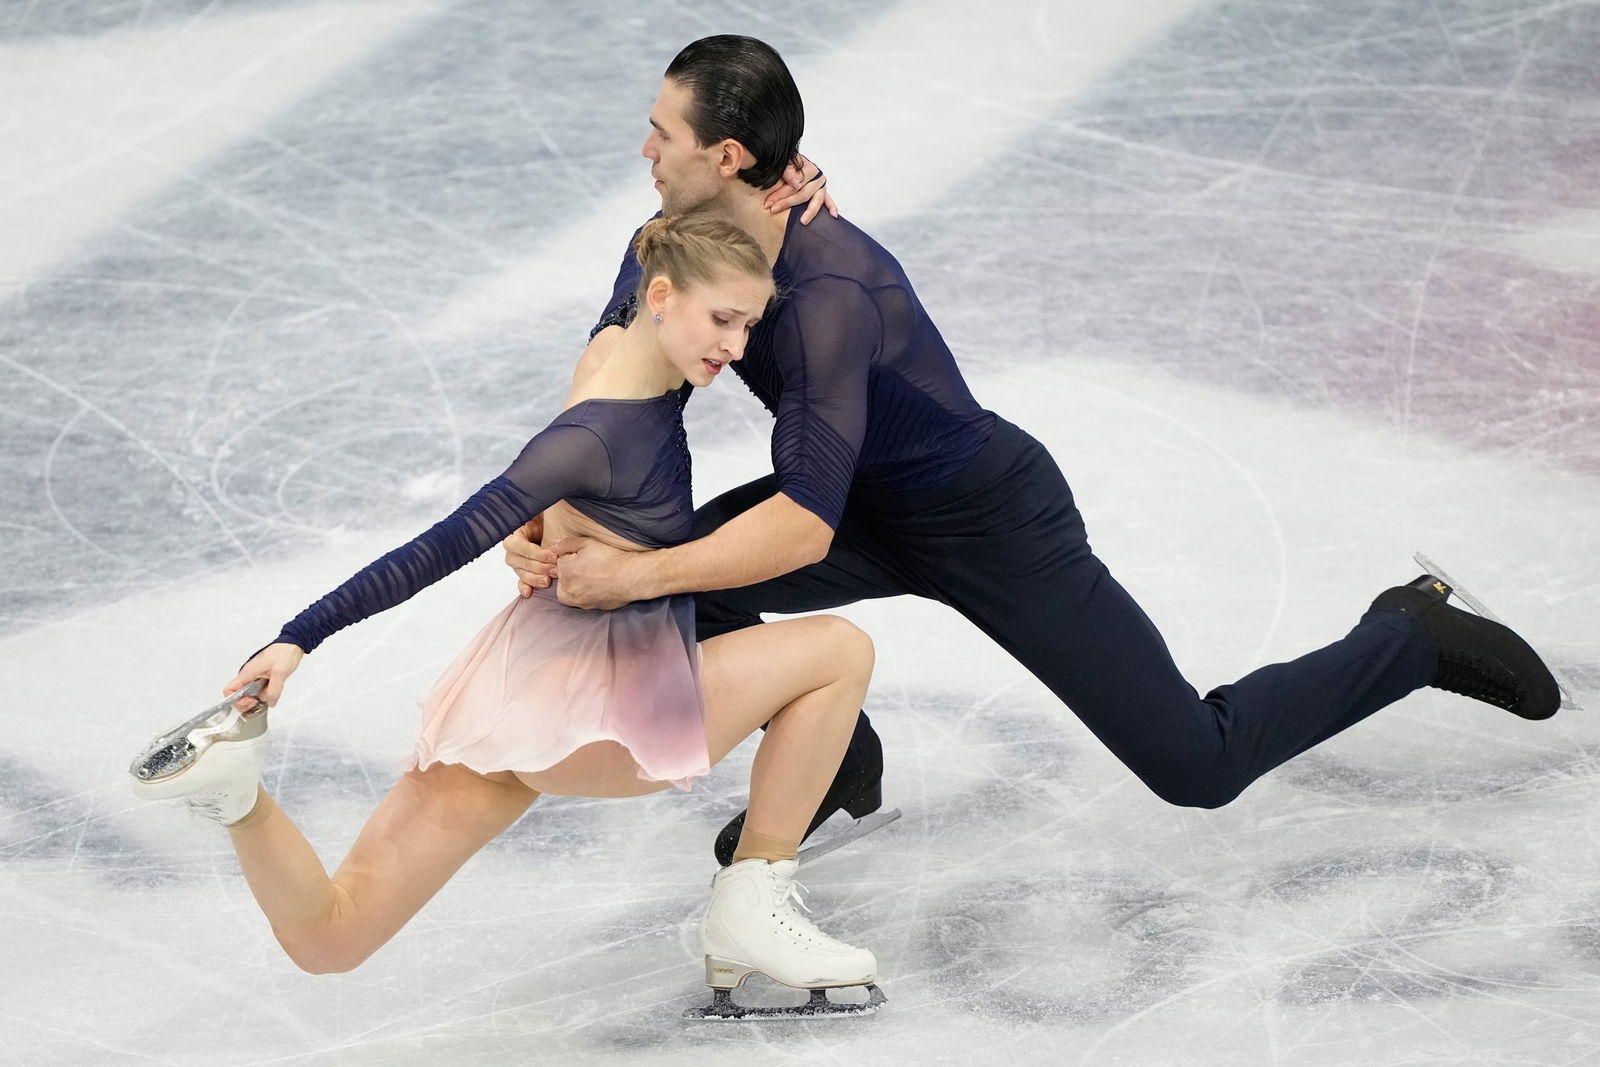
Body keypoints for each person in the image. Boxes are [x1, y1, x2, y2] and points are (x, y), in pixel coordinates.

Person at [503, 34, 1567, 867]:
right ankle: (829, 757)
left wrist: (636, 567)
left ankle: (1411, 632)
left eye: (660, 133)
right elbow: (614, 361)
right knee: (687, 594)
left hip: (986, 517)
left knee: (1197, 763)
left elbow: (801, 525)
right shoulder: (686, 243)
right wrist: (551, 505)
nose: (644, 150)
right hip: (858, 502)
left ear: (726, 157)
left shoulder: (832, 291)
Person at [129, 213, 884, 1018]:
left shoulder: (616, 361)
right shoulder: (595, 434)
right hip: (601, 713)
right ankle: (751, 904)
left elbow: (663, 251)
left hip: (510, 699)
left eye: (748, 324)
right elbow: (444, 542)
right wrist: (297, 636)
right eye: (723, 320)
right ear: (660, 298)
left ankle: (239, 797)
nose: (735, 347)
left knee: (330, 938)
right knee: (839, 649)